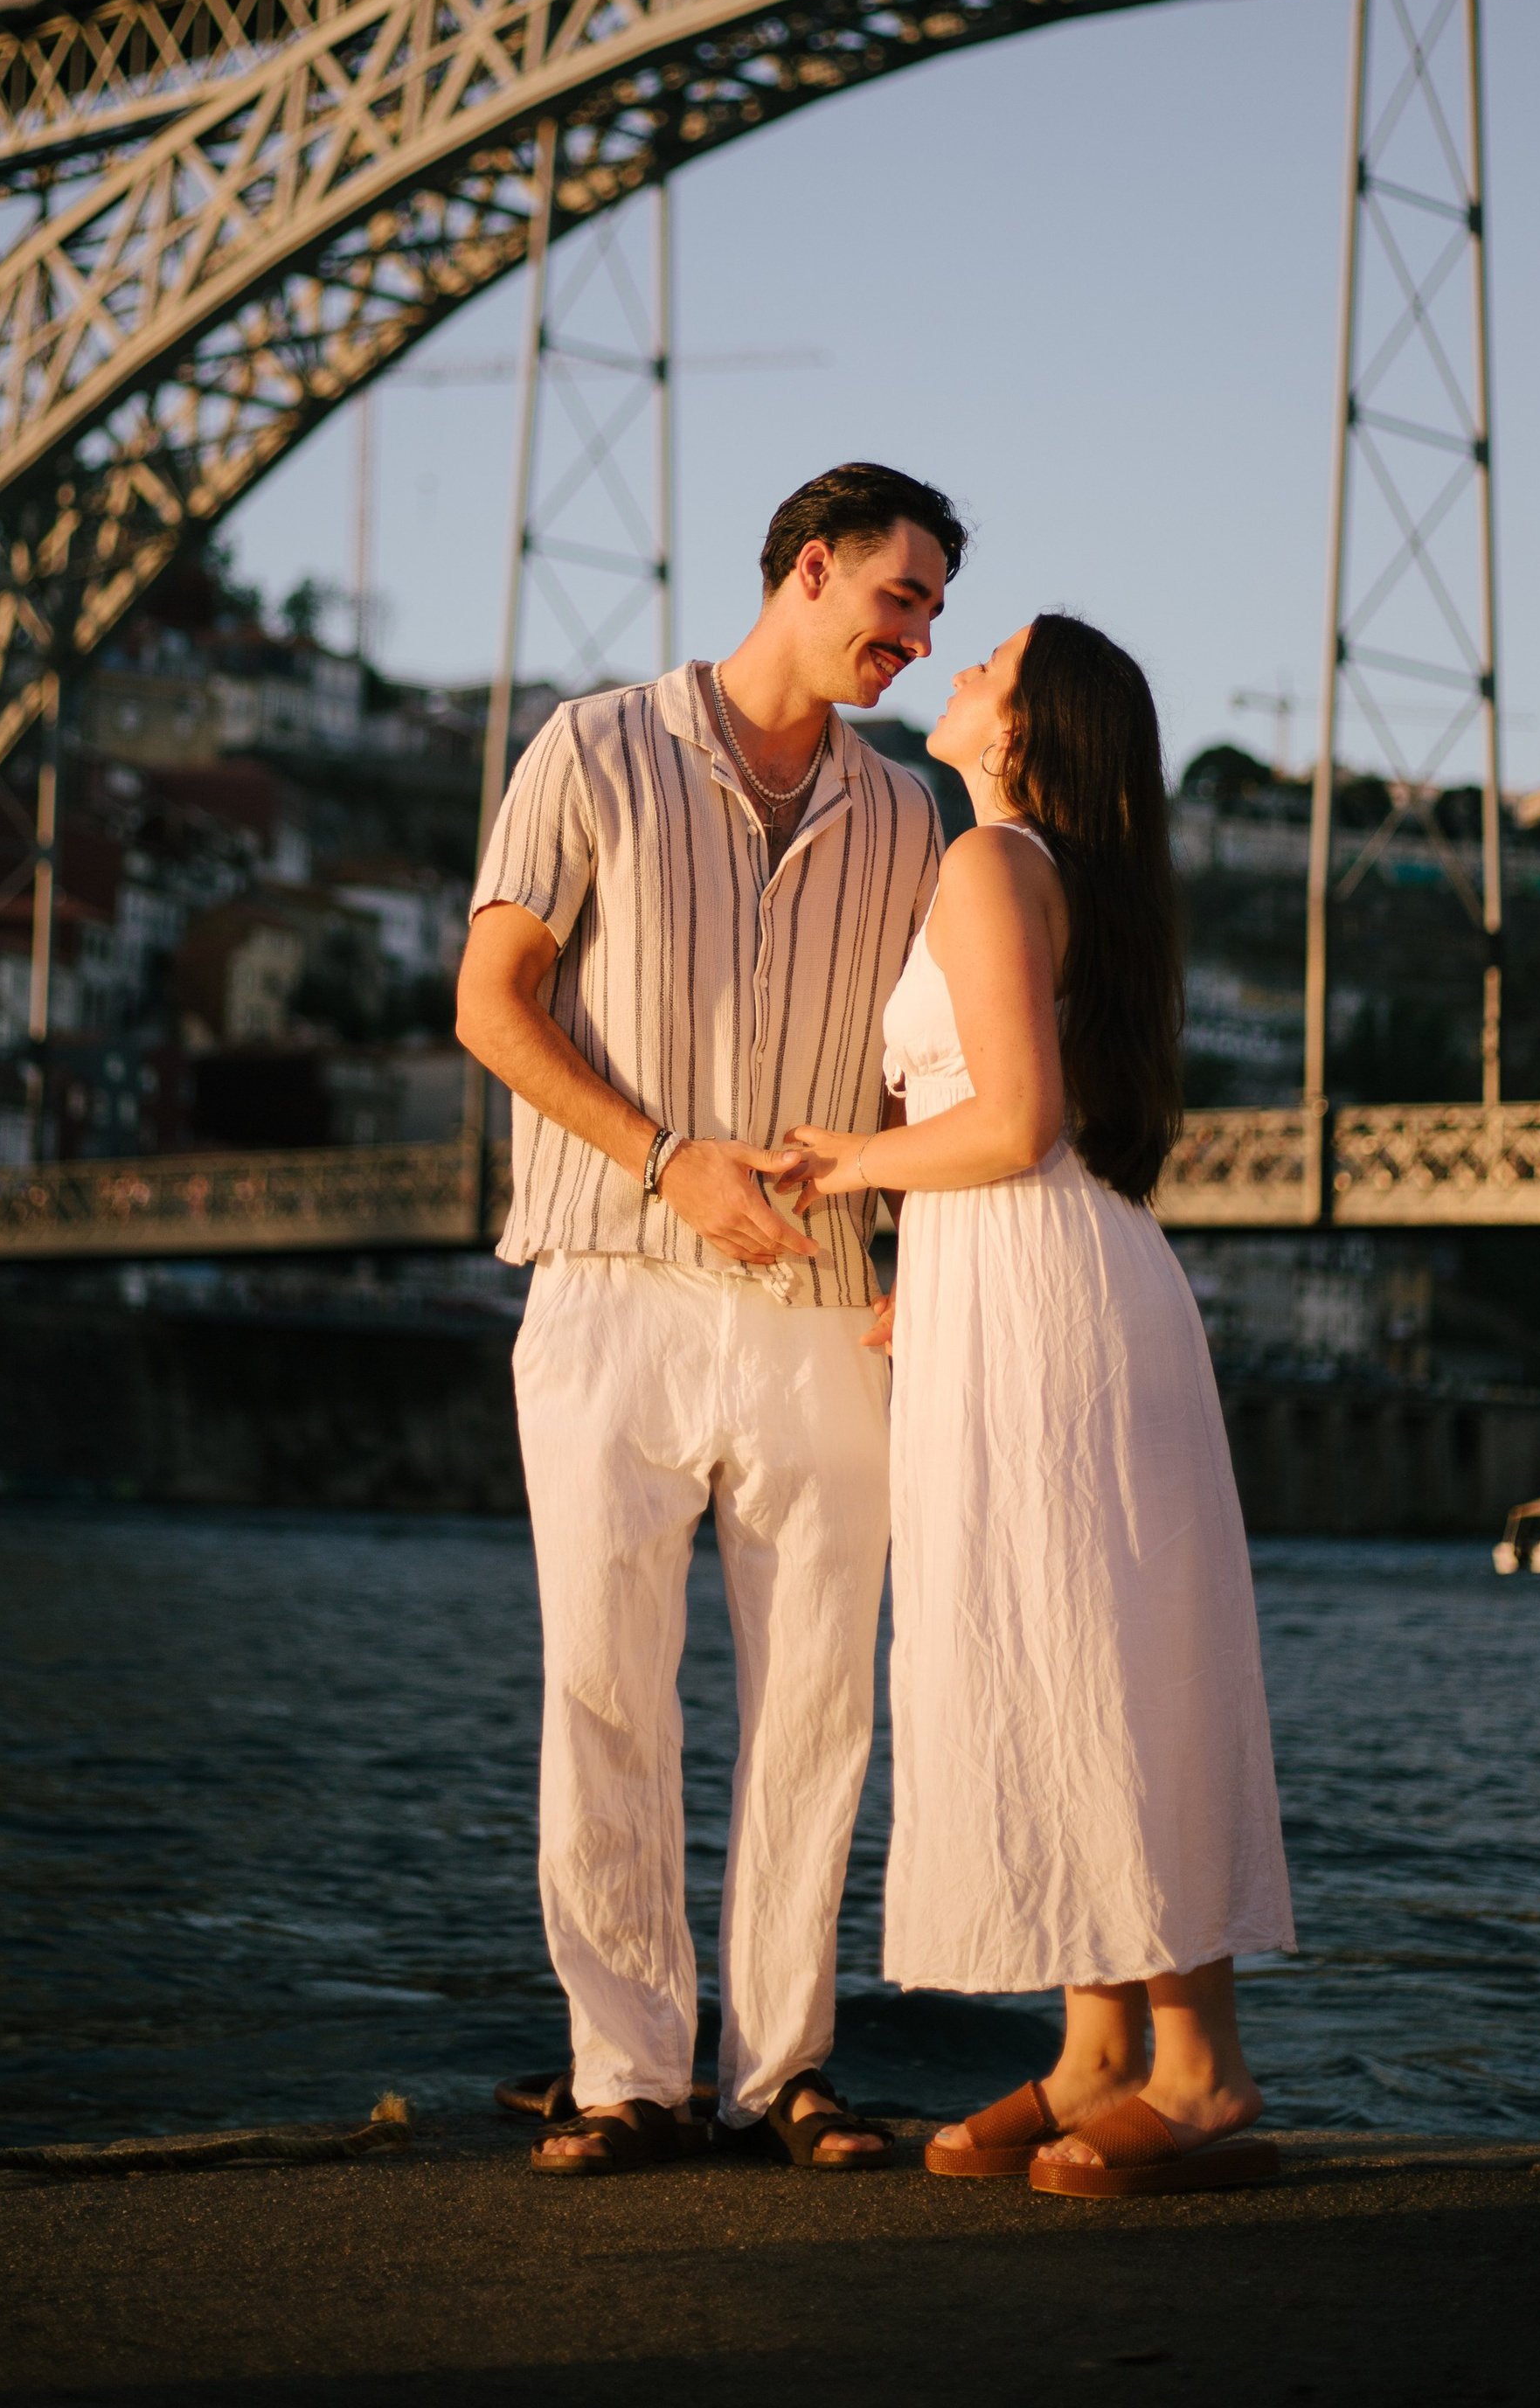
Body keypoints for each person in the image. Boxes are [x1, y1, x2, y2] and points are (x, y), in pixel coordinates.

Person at [455, 462, 965, 2178]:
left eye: (934, 615)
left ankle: (782, 2071)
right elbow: (491, 1004)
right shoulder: (591, 748)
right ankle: (627, 2074)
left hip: (820, 1308)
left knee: (817, 1705)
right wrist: (667, 1160)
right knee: (602, 1690)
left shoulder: (908, 815)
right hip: (607, 1283)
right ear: (808, 568)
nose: (916, 637)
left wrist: (915, 1256)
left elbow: (917, 1078)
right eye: (899, 597)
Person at [775, 614, 1294, 2200]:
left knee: (1103, 1653)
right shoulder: (1040, 872)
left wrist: (843, 1165)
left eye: (989, 663)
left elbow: (1014, 1123)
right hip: (1030, 1286)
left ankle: (1199, 2071)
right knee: (1054, 1650)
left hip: (1048, 1292)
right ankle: (1096, 2052)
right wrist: (924, 1287)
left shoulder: (993, 863)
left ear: (1025, 732)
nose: (959, 669)